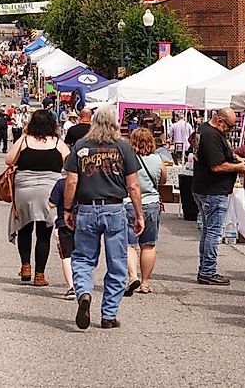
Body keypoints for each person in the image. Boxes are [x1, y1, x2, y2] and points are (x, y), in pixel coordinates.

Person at [63, 104, 144, 330]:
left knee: (83, 259)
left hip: (87, 209)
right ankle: (108, 314)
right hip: (114, 209)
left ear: (93, 122)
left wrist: (67, 209)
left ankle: (85, 293)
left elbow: (71, 181)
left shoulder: (80, 146)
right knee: (117, 263)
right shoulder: (123, 147)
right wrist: (139, 215)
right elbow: (134, 185)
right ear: (114, 123)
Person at [6, 109, 69, 287]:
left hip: (24, 190)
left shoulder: (25, 140)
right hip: (49, 192)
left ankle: (26, 266)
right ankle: (39, 275)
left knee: (24, 229)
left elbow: (9, 159)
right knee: (44, 234)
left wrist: (24, 134)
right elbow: (69, 161)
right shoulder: (57, 142)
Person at [192, 108, 245, 286]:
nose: (230, 130)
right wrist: (237, 167)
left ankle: (205, 269)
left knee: (208, 230)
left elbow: (218, 156)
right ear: (219, 121)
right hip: (213, 190)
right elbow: (216, 166)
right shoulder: (211, 135)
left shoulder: (204, 130)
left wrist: (235, 159)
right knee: (213, 232)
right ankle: (208, 270)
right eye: (230, 127)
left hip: (204, 187)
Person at [125, 128, 166, 296]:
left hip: (128, 203)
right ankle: (145, 283)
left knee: (129, 245)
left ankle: (132, 276)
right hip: (151, 203)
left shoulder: (127, 159)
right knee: (148, 245)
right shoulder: (158, 159)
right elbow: (163, 180)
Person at [48, 177, 76, 299]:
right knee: (84, 256)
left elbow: (51, 204)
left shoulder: (61, 183)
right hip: (85, 223)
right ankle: (84, 287)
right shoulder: (87, 181)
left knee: (67, 256)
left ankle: (71, 288)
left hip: (64, 224)